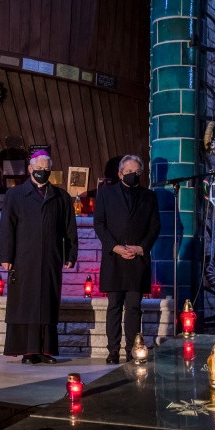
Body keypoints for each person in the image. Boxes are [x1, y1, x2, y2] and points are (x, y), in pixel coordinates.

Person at [0, 149, 78, 365]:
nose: (42, 171)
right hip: (23, 258)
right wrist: (5, 255)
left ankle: (46, 350)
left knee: (47, 302)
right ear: (30, 169)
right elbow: (7, 227)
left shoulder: (61, 197)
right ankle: (29, 351)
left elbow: (70, 229)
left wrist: (70, 254)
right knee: (26, 302)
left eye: (46, 168)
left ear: (50, 170)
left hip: (50, 258)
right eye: (38, 168)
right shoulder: (15, 195)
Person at [94, 154, 161, 364]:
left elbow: (154, 226)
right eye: (129, 171)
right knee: (114, 306)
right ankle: (113, 350)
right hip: (114, 258)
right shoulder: (106, 194)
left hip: (137, 259)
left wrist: (141, 248)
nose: (133, 175)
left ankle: (132, 349)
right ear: (120, 173)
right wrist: (115, 247)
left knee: (133, 307)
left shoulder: (149, 196)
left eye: (137, 172)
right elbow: (99, 224)